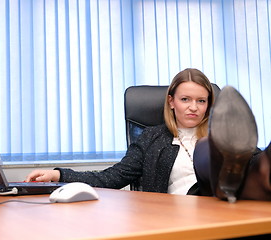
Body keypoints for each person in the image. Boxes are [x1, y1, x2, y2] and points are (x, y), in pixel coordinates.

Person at [25, 68, 271, 202]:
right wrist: (59, 174)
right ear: (171, 101)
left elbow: (252, 162)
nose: (193, 107)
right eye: (185, 99)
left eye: (201, 100)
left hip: (222, 212)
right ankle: (215, 166)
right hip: (179, 216)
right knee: (218, 163)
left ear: (209, 104)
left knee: (255, 164)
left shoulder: (227, 136)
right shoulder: (152, 138)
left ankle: (236, 165)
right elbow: (112, 177)